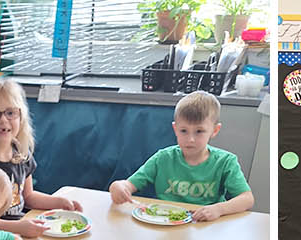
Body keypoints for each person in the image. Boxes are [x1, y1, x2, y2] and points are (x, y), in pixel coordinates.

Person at [0, 79, 80, 238]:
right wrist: (18, 227)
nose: (3, 120)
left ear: (21, 118)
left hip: (19, 231)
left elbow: (28, 196)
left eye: (10, 113)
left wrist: (59, 202)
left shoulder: (21, 155)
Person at [109, 91, 254, 221]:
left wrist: (219, 209)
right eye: (184, 131)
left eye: (199, 131)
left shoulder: (225, 162)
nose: (190, 139)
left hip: (206, 226)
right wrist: (118, 186)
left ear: (215, 131)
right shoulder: (163, 158)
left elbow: (247, 199)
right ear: (175, 129)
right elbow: (129, 185)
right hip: (165, 223)